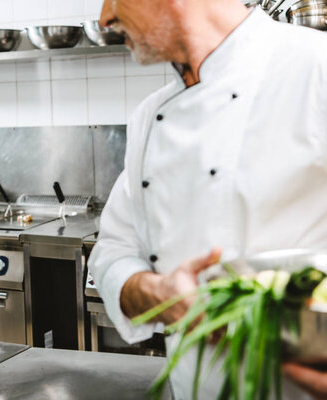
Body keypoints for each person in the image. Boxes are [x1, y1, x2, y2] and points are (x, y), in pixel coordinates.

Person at [88, 0, 327, 398]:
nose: (105, 18)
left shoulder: (316, 70)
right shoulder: (149, 117)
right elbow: (112, 251)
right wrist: (157, 293)